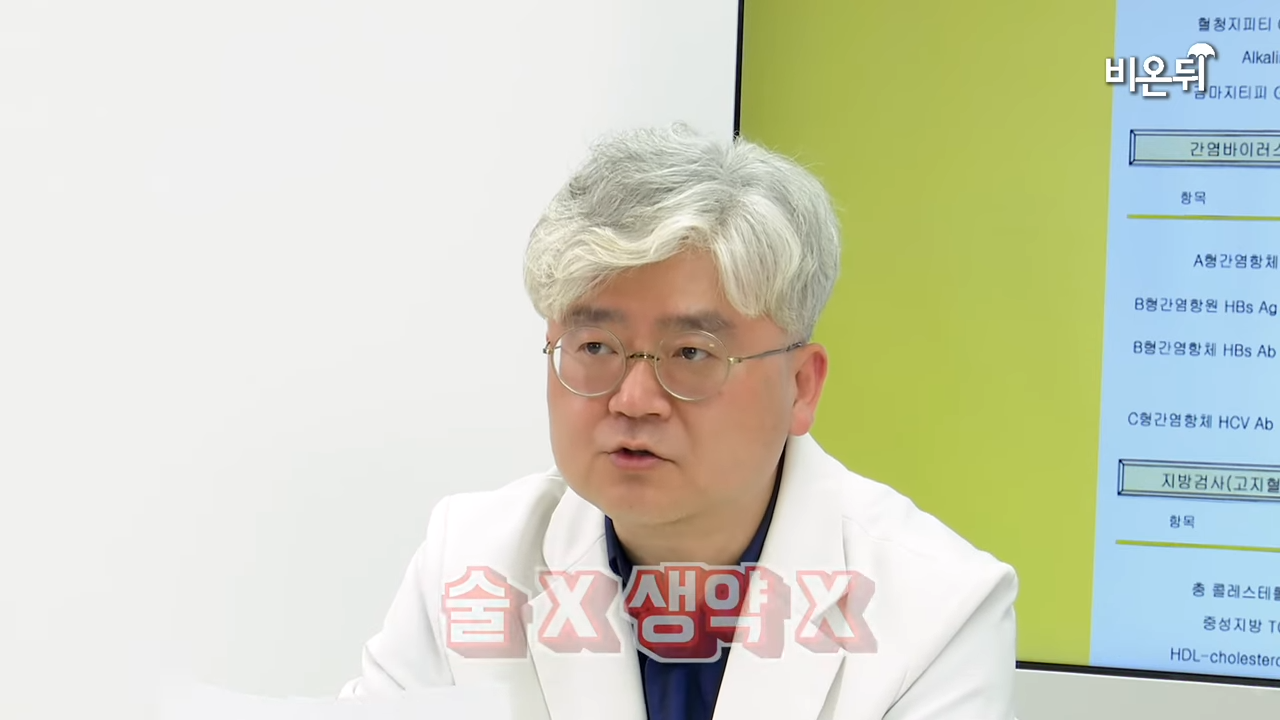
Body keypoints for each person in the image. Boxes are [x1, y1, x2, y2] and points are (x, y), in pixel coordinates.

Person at [340, 124, 1018, 719]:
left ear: (801, 387)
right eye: (595, 347)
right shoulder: (469, 563)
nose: (634, 398)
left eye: (691, 353)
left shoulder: (937, 608)